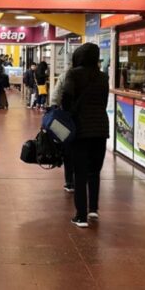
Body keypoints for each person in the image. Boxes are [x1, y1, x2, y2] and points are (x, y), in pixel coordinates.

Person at [60, 43, 110, 228]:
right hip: (101, 128)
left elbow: (66, 98)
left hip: (79, 129)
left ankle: (81, 216)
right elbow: (104, 102)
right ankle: (93, 209)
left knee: (79, 173)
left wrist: (69, 112)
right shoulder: (103, 77)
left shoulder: (73, 74)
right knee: (94, 171)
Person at [50, 50, 82, 193]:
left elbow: (56, 96)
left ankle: (70, 182)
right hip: (87, 121)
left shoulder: (66, 75)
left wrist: (53, 108)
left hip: (68, 119)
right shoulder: (98, 76)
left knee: (69, 151)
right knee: (84, 152)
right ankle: (83, 180)